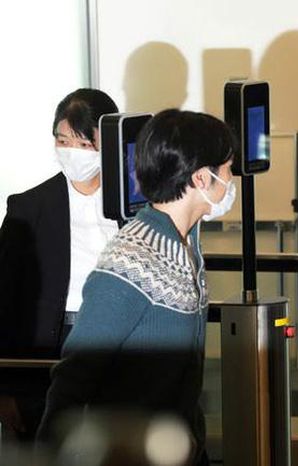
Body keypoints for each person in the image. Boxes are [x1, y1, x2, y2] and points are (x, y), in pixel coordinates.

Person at [36, 109, 237, 466]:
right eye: (227, 169)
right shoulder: (131, 260)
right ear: (201, 178)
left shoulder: (186, 242)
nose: (231, 180)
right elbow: (75, 375)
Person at [0, 88, 119, 441]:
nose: (72, 153)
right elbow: (5, 299)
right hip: (53, 344)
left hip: (117, 340)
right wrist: (4, 388)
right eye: (63, 141)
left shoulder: (133, 205)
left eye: (84, 144)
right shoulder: (29, 207)